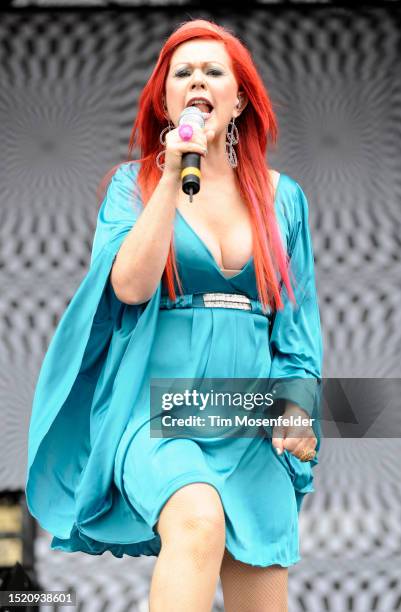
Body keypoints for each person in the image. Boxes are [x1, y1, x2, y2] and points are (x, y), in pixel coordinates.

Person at [25, 18, 323, 612]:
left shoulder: (281, 197)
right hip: (155, 408)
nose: (197, 80)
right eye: (182, 72)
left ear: (238, 100)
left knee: (260, 588)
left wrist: (299, 407)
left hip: (248, 415)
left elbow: (297, 327)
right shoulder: (131, 189)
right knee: (196, 515)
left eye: (214, 71)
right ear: (164, 100)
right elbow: (131, 287)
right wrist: (169, 177)